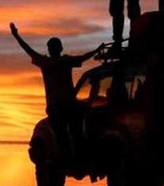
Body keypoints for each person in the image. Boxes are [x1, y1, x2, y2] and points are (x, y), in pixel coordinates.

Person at [10, 23, 102, 156]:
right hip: (63, 107)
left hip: (61, 107)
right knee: (69, 134)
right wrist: (97, 50)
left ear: (50, 49)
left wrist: (16, 36)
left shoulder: (49, 62)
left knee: (65, 135)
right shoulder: (62, 61)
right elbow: (84, 57)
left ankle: (70, 157)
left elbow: (28, 50)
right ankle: (72, 157)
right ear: (60, 48)